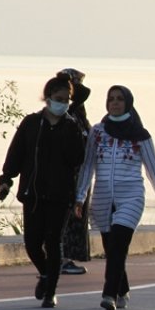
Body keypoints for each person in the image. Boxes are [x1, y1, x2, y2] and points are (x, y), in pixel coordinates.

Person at [74, 86, 155, 310]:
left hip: (131, 196)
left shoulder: (140, 135)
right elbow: (88, 165)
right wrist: (80, 196)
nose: (115, 103)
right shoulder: (98, 132)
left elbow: (153, 169)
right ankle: (123, 289)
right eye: (111, 99)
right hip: (102, 199)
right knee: (112, 249)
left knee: (119, 243)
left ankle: (108, 294)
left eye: (120, 99)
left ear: (128, 103)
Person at [0, 74, 86, 308]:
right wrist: (6, 179)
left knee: (54, 240)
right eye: (58, 99)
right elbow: (16, 152)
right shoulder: (31, 123)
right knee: (32, 243)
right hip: (33, 194)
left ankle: (51, 293)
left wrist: (74, 130)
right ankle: (46, 274)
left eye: (67, 100)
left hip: (60, 195)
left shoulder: (71, 126)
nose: (62, 104)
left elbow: (78, 158)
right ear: (47, 98)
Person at [59, 68, 92, 276]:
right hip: (68, 175)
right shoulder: (66, 115)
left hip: (80, 175)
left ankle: (65, 257)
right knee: (67, 218)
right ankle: (62, 258)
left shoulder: (78, 114)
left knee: (74, 217)